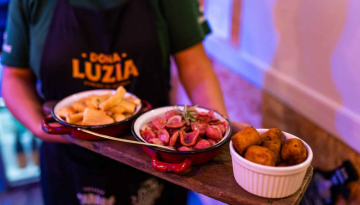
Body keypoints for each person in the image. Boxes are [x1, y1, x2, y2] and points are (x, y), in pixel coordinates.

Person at [1, 0, 247, 204]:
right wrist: (40, 127)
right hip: (66, 159)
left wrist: (213, 132)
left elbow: (195, 65)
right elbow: (14, 75)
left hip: (154, 156)